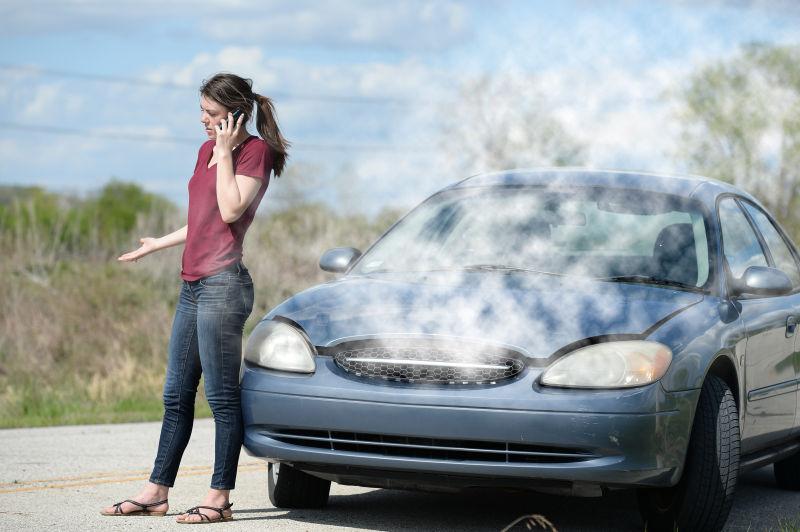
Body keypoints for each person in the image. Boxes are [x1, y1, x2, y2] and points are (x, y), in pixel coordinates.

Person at [101, 72, 289, 524]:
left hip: (224, 287)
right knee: (175, 395)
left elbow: (229, 209)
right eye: (202, 112)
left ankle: (219, 496)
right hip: (192, 285)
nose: (203, 121)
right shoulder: (205, 149)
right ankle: (156, 491)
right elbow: (203, 220)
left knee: (222, 398)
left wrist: (225, 154)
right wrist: (158, 244)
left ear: (236, 115)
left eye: (212, 114)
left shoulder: (254, 152)